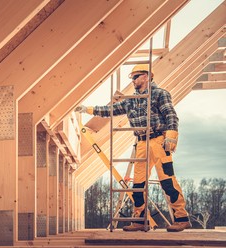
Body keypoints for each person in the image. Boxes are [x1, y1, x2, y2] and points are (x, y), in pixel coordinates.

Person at [75, 64, 191, 232]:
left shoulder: (159, 94)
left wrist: (171, 134)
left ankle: (182, 218)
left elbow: (171, 115)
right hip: (142, 143)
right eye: (132, 77)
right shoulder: (131, 101)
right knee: (138, 184)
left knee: (167, 180)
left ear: (146, 76)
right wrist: (89, 109)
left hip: (159, 140)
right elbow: (110, 110)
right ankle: (140, 219)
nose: (133, 80)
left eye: (136, 77)